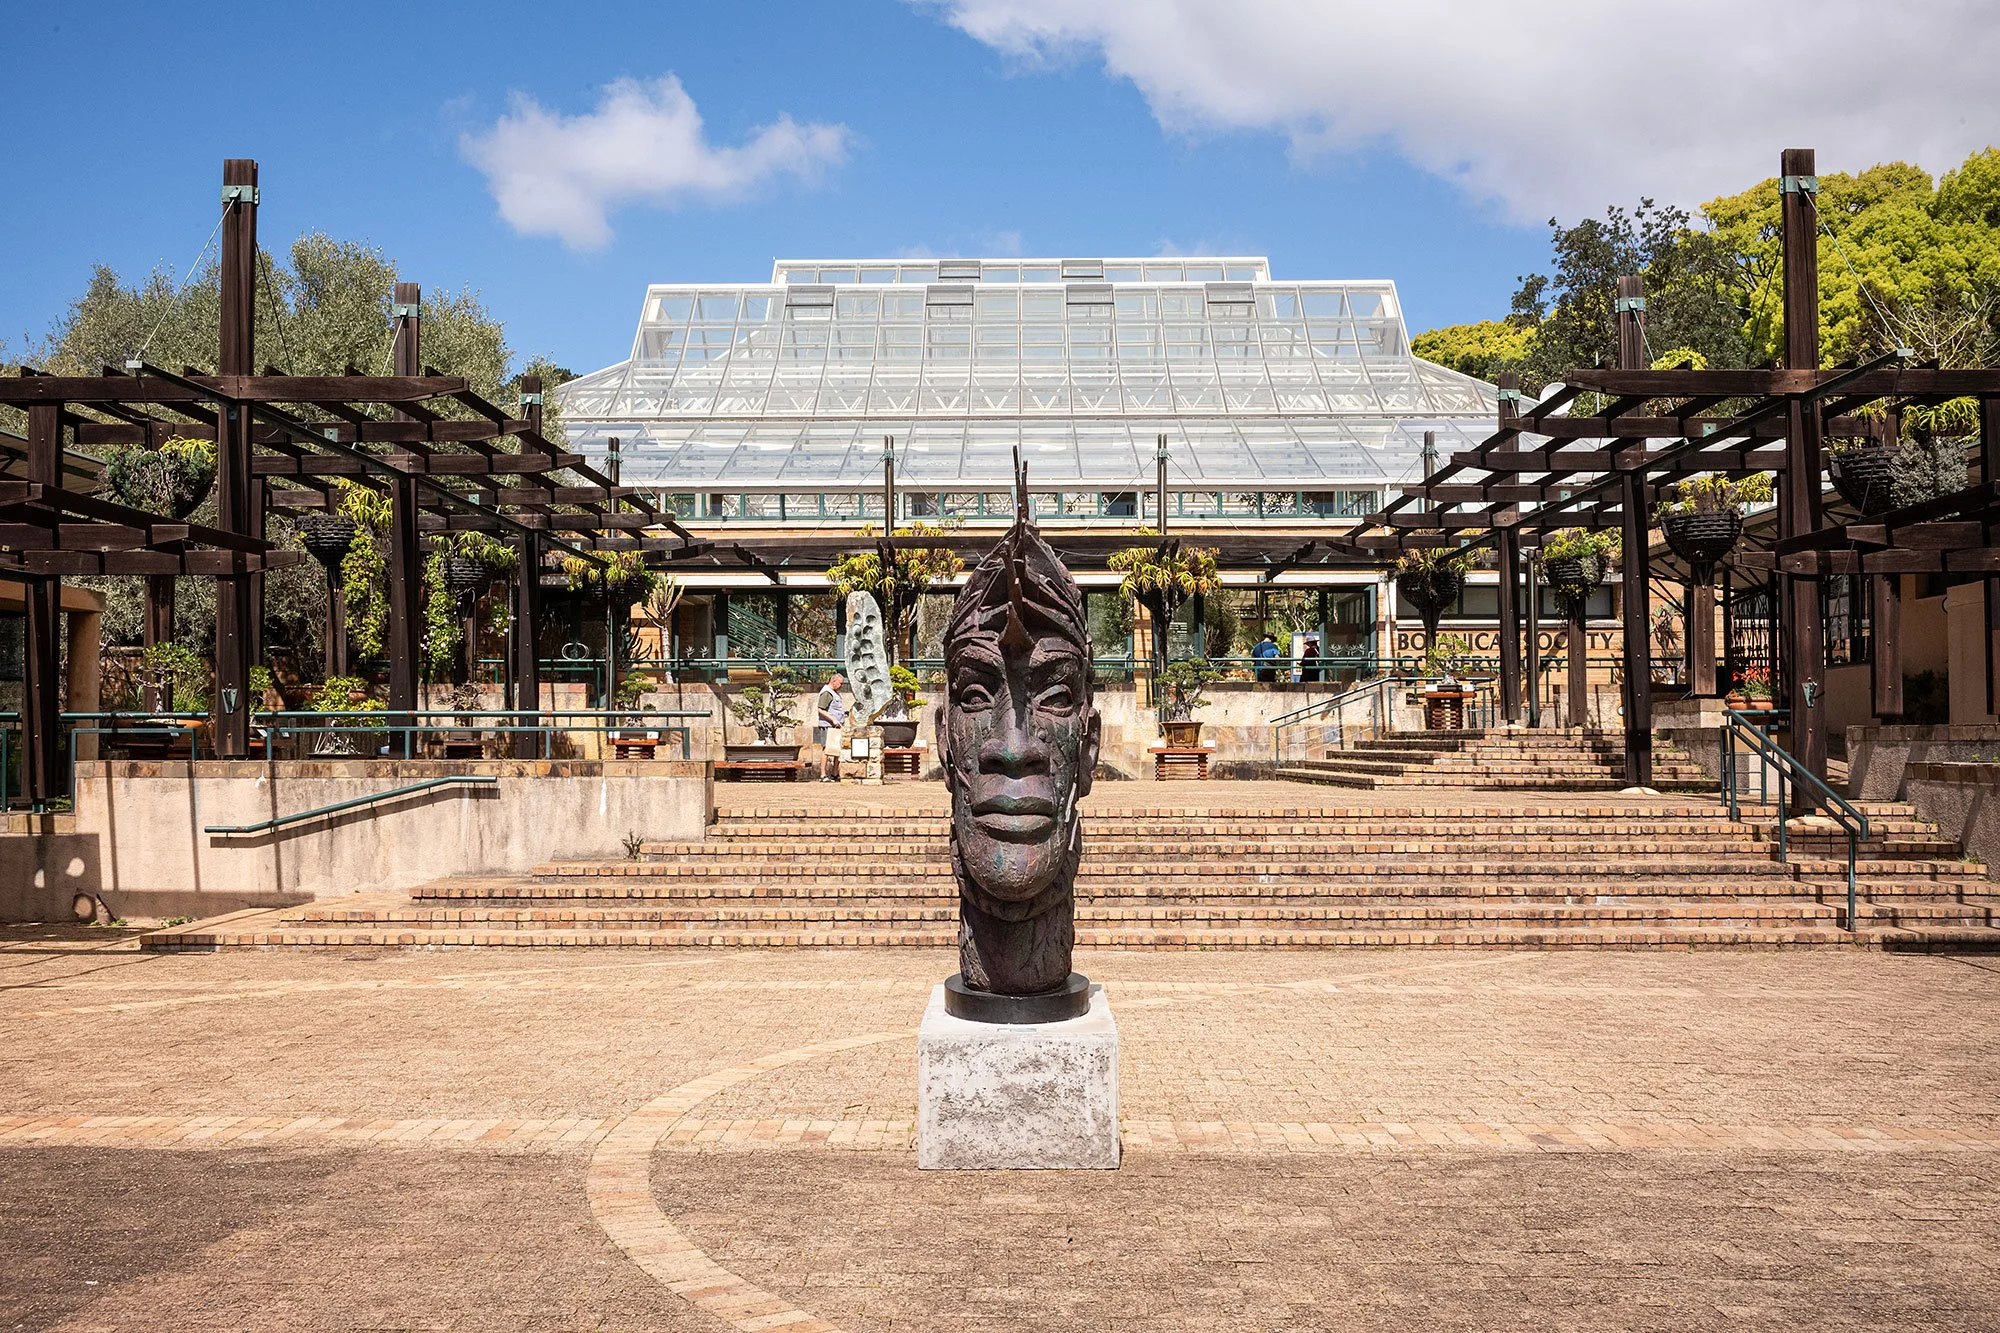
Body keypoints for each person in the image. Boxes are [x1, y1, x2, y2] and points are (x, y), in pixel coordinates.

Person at [815, 672, 848, 781]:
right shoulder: (827, 693)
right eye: (840, 683)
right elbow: (820, 709)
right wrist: (833, 719)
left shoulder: (835, 693)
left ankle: (835, 773)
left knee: (837, 749)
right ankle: (823, 775)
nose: (841, 686)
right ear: (833, 681)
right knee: (826, 749)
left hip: (837, 726)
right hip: (828, 725)